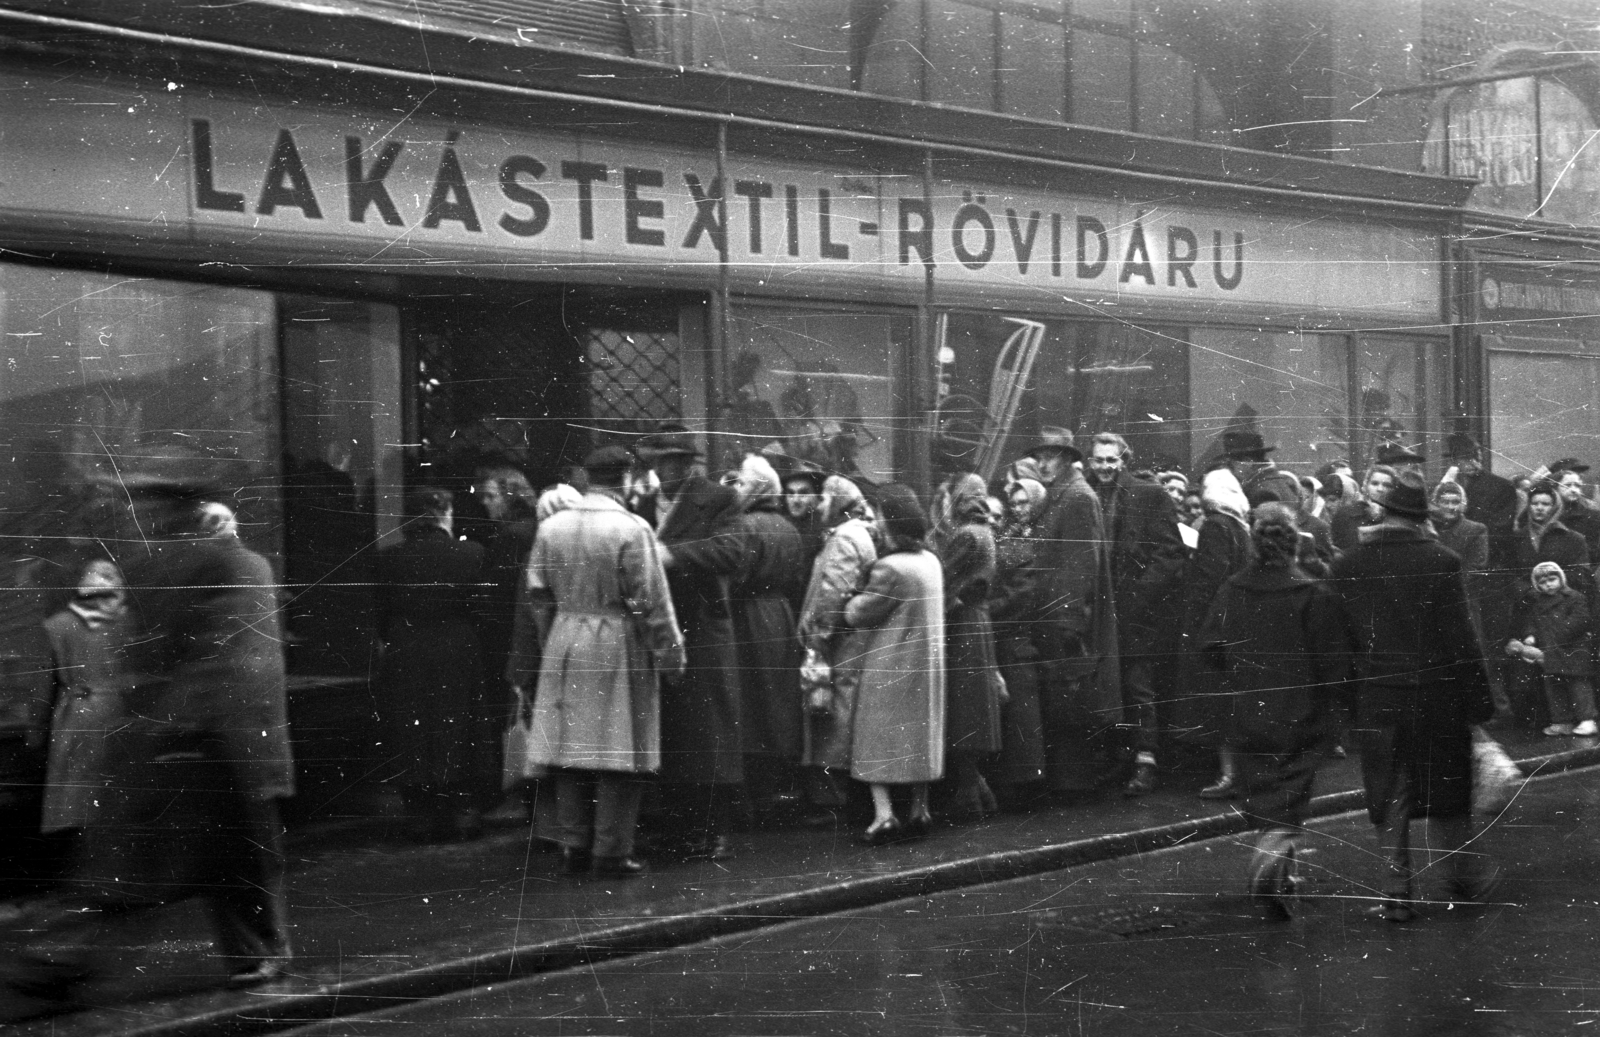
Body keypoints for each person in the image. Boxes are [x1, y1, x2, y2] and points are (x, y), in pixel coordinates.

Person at [9, 475, 295, 1000]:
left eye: (151, 506)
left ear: (181, 509)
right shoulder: (166, 566)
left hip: (213, 741)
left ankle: (67, 958)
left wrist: (166, 719)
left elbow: (231, 659)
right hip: (185, 741)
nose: (141, 516)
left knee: (204, 859)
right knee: (171, 860)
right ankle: (67, 957)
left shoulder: (225, 565)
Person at [1329, 469, 1500, 923]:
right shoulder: (1441, 560)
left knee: (1391, 795)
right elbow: (1461, 638)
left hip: (1378, 696)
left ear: (1384, 511)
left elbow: (1340, 642)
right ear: (1422, 516)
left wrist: (1345, 703)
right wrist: (1480, 702)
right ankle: (1462, 878)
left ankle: (1395, 893)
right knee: (1448, 788)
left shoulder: (1348, 564)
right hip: (1436, 696)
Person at [516, 446, 685, 878]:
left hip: (564, 636)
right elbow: (652, 601)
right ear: (626, 479)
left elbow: (537, 595)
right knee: (619, 748)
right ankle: (611, 851)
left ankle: (573, 845)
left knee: (569, 750)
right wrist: (670, 655)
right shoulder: (632, 527)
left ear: (587, 478)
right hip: (616, 639)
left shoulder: (552, 527)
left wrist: (550, 639)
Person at [1197, 503, 1352, 920]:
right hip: (1301, 711)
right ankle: (1268, 869)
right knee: (1290, 800)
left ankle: (1280, 873)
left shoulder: (1232, 588)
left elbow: (1209, 646)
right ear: (1294, 539)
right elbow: (1333, 661)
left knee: (1264, 796)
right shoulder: (1311, 592)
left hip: (1247, 708)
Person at [636, 425, 747, 860]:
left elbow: (731, 551)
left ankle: (713, 829)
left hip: (703, 627)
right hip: (660, 628)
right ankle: (678, 828)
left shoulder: (718, 499)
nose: (664, 469)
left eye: (673, 461)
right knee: (671, 732)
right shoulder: (643, 505)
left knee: (709, 732)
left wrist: (672, 555)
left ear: (687, 462)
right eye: (659, 461)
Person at [375, 486, 488, 842]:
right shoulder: (471, 553)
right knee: (459, 724)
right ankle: (461, 808)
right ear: (444, 514)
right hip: (457, 644)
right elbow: (483, 610)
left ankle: (419, 812)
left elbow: (380, 611)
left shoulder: (388, 558)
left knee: (412, 725)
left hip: (406, 646)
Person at [1083, 432, 1187, 797]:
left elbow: (1171, 553)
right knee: (1111, 685)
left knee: (1138, 684)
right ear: (1091, 462)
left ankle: (1146, 761)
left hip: (1137, 611)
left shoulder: (1148, 494)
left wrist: (1139, 596)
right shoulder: (1091, 495)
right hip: (1102, 610)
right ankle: (1121, 758)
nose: (1105, 467)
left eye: (1112, 460)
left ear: (1123, 460)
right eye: (1099, 461)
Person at [842, 484, 945, 844]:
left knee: (875, 737)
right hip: (925, 665)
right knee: (918, 736)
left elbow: (858, 614)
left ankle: (884, 814)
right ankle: (920, 809)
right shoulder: (931, 561)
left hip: (890, 664)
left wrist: (852, 593)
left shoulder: (890, 568)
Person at [1023, 427, 1119, 796]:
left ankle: (1077, 783)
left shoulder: (1076, 497)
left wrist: (1070, 620)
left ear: (1065, 459)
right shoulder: (1065, 494)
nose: (1043, 463)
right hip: (1058, 617)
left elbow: (1082, 564)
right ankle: (1072, 781)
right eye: (1041, 456)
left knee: (1072, 702)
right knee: (1067, 701)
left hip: (1066, 621)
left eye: (1050, 456)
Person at [727, 453, 807, 818]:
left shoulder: (744, 525)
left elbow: (736, 576)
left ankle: (749, 796)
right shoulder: (789, 527)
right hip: (780, 616)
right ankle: (772, 788)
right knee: (775, 701)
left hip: (748, 617)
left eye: (742, 482)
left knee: (749, 701)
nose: (738, 489)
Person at [796, 475, 878, 817]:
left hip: (840, 644)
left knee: (833, 715)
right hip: (851, 640)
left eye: (826, 499)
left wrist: (817, 640)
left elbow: (833, 591)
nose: (819, 505)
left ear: (841, 503)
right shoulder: (857, 533)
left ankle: (832, 797)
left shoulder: (845, 537)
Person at [37, 558, 128, 851]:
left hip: (81, 714)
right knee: (100, 792)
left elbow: (41, 691)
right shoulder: (126, 624)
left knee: (82, 794)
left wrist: (35, 733)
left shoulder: (56, 625)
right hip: (113, 713)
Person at [931, 472, 1003, 822]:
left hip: (961, 626)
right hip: (978, 623)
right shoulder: (985, 531)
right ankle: (979, 793)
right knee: (973, 708)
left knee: (962, 709)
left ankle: (969, 797)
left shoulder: (964, 535)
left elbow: (942, 579)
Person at [1178, 465, 1253, 797]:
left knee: (1220, 705)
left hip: (1214, 626)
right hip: (1239, 623)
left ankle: (1228, 777)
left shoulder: (1214, 528)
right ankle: (1240, 773)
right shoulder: (1241, 526)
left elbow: (1210, 579)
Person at [474, 464, 541, 822]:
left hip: (507, 638)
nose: (485, 504)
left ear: (510, 495)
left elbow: (497, 598)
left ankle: (519, 794)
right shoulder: (531, 528)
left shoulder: (510, 537)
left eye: (491, 496)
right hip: (526, 635)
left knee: (513, 716)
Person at [1444, 433, 1520, 720]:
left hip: (1491, 578)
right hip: (1460, 581)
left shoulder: (1500, 488)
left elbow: (1500, 531)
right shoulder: (1446, 488)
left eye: (1474, 456)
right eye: (1464, 458)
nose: (1471, 463)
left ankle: (1499, 707)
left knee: (1488, 644)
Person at [988, 476, 1050, 802]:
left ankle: (1027, 786)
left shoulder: (1039, 540)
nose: (1019, 509)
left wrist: (987, 608)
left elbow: (1022, 595)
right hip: (1008, 634)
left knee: (1023, 714)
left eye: (1025, 502)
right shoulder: (1010, 537)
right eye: (1015, 504)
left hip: (1020, 635)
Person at [1508, 561, 1597, 738]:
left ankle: (1587, 719)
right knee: (1554, 687)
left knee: (1578, 685)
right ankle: (1562, 721)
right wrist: (1531, 636)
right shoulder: (1538, 603)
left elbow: (1581, 619)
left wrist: (1558, 635)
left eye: (1552, 579)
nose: (1548, 584)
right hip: (1552, 651)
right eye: (1542, 582)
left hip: (1572, 649)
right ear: (1536, 585)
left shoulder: (1574, 597)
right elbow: (1531, 622)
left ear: (1561, 578)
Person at [1223, 429, 1301, 510]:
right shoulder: (1276, 481)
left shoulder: (1262, 493)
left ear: (1247, 461)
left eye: (1231, 464)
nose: (1230, 470)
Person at [1329, 465, 1395, 554]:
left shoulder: (1397, 517)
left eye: (1387, 485)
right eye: (1375, 483)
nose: (1380, 489)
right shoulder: (1346, 513)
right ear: (1366, 485)